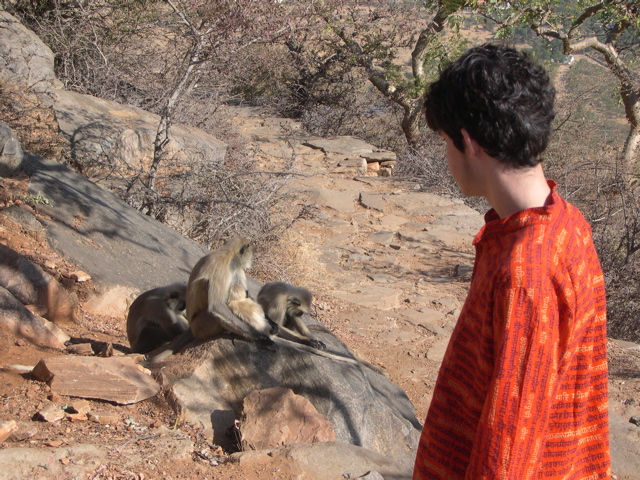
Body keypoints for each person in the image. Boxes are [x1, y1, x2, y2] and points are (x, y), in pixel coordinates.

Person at [413, 44, 610, 479]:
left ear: (469, 142)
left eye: (447, 143)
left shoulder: (524, 273)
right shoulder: (567, 223)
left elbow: (509, 444)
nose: (447, 159)